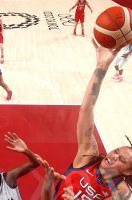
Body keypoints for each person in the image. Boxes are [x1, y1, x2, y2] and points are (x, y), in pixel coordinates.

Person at [41, 40, 132, 199]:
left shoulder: (121, 191)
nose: (113, 155)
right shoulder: (88, 156)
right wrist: (101, 66)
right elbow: (86, 109)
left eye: (121, 159)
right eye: (116, 151)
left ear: (127, 171)